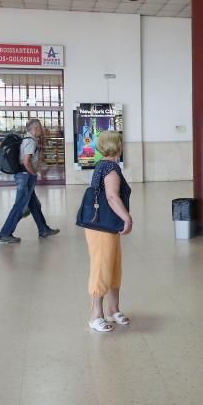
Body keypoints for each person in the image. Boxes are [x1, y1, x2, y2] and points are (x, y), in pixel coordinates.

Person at [84, 131, 132, 333]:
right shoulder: (110, 168)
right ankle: (96, 314)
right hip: (102, 227)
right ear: (117, 147)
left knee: (113, 266)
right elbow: (112, 197)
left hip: (105, 225)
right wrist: (126, 217)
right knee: (102, 267)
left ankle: (113, 308)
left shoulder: (102, 165)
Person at [0, 118, 60, 243]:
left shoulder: (27, 140)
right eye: (40, 128)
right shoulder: (30, 142)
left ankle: (43, 229)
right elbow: (26, 161)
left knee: (34, 205)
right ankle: (5, 233)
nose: (42, 130)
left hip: (24, 176)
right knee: (20, 206)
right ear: (35, 128)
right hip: (25, 177)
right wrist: (34, 173)